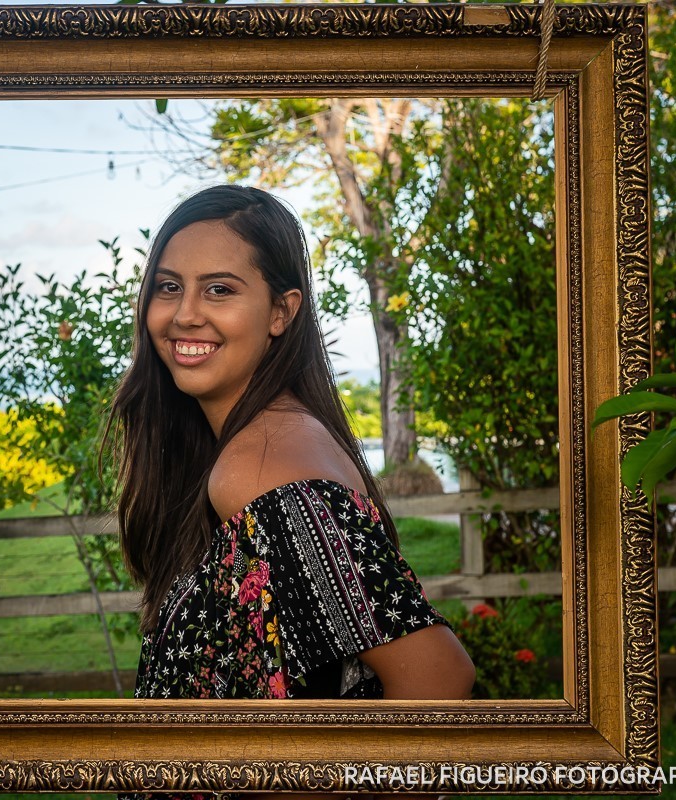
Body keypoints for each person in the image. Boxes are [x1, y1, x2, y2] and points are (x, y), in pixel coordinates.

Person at [102, 184, 474, 799]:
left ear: (281, 312)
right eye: (169, 287)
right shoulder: (266, 440)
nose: (185, 313)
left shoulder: (261, 466)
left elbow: (437, 679)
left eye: (219, 289)